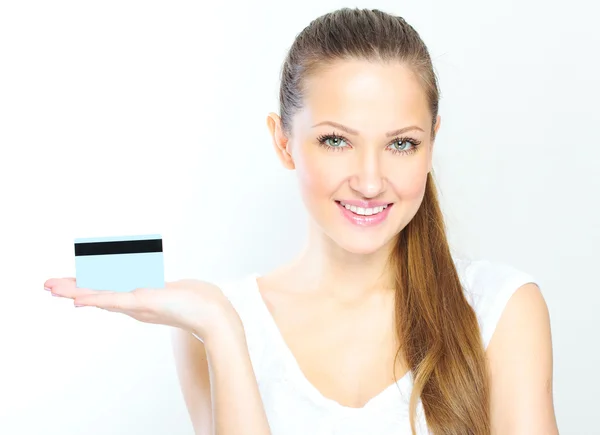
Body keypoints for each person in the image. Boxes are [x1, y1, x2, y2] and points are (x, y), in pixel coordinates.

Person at [44, 7, 559, 435]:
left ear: (431, 143)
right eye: (337, 140)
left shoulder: (500, 310)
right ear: (283, 140)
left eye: (402, 143)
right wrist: (221, 328)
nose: (371, 180)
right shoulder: (215, 325)